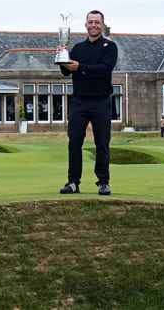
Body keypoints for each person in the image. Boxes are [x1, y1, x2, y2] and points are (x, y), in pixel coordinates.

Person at [59, 10, 118, 196]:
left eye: (97, 22)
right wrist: (62, 58)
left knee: (102, 143)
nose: (93, 25)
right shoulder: (77, 49)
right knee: (74, 142)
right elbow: (67, 73)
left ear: (102, 25)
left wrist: (80, 67)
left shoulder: (110, 46)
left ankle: (103, 182)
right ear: (86, 25)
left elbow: (104, 69)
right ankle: (73, 182)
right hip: (79, 102)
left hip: (101, 101)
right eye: (90, 22)